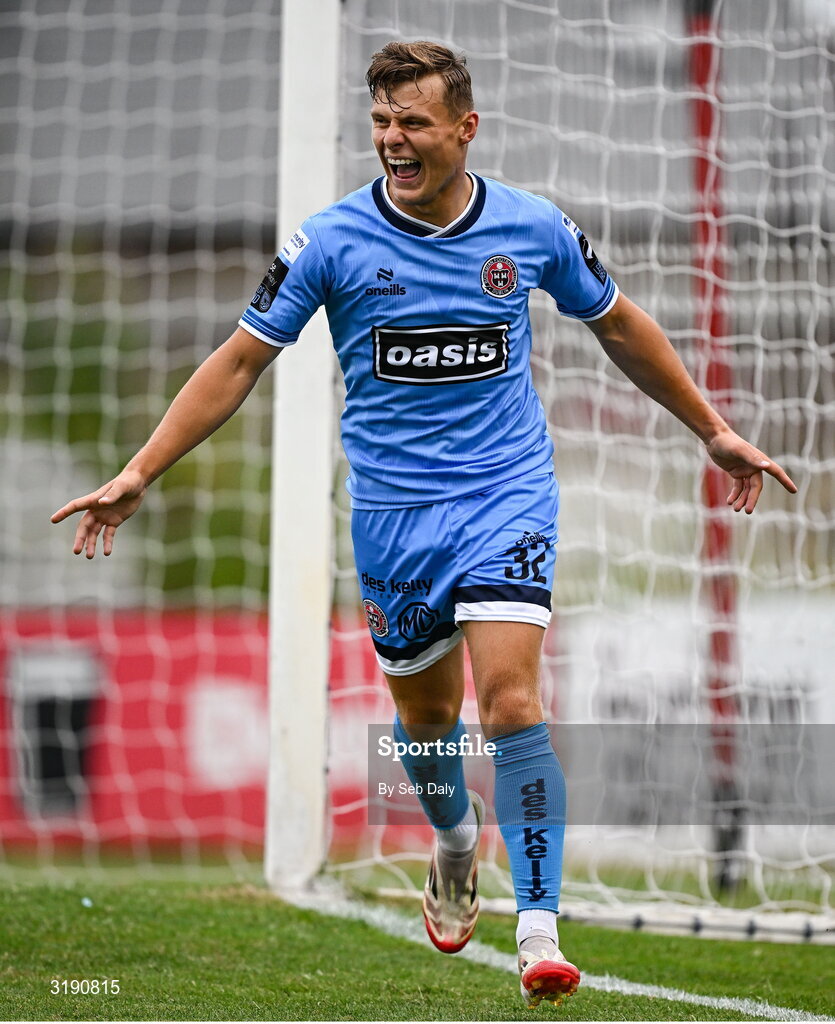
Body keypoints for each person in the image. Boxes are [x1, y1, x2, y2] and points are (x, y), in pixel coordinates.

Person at [52, 41, 797, 1008]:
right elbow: (239, 361)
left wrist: (715, 431)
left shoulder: (529, 228)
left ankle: (539, 931)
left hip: (505, 497)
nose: (392, 141)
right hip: (394, 518)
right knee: (428, 721)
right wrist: (141, 470)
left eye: (411, 122)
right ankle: (451, 840)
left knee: (514, 702)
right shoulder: (330, 242)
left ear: (463, 128)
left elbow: (616, 322)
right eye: (381, 124)